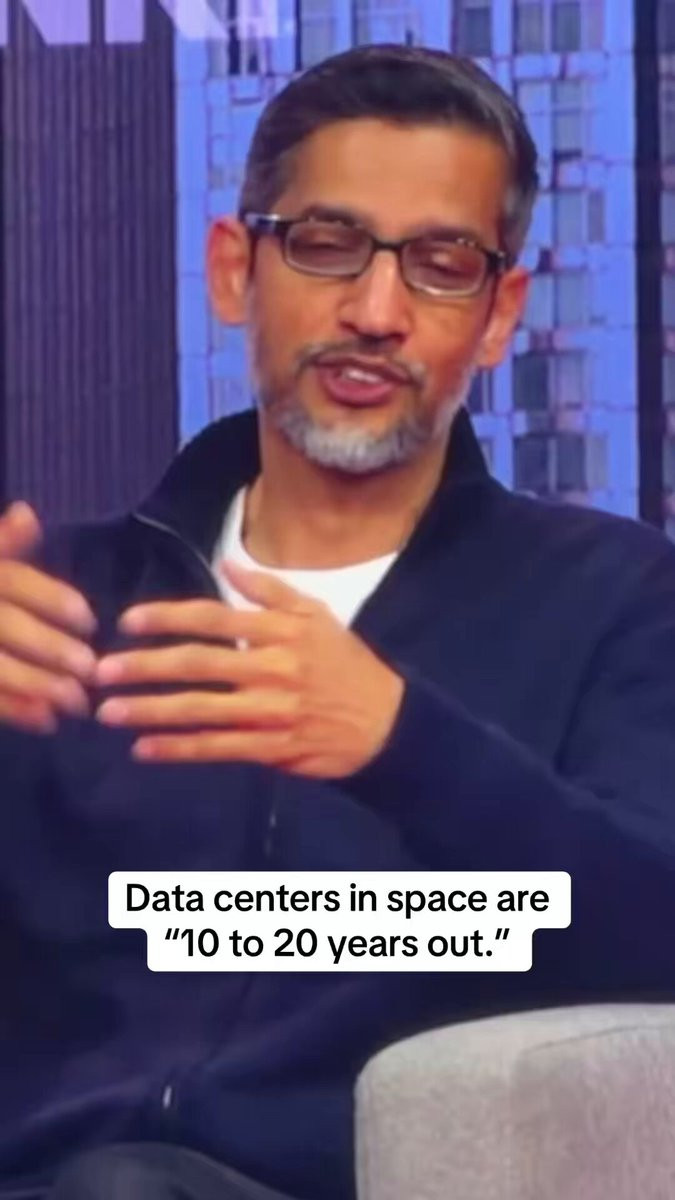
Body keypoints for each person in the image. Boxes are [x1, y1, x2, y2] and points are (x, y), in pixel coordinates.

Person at [1, 41, 675, 1200]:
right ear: (235, 271)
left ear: (501, 314)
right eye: (326, 244)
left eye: (442, 265)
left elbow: (654, 925)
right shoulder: (65, 604)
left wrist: (402, 745)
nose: (376, 312)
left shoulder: (614, 596)